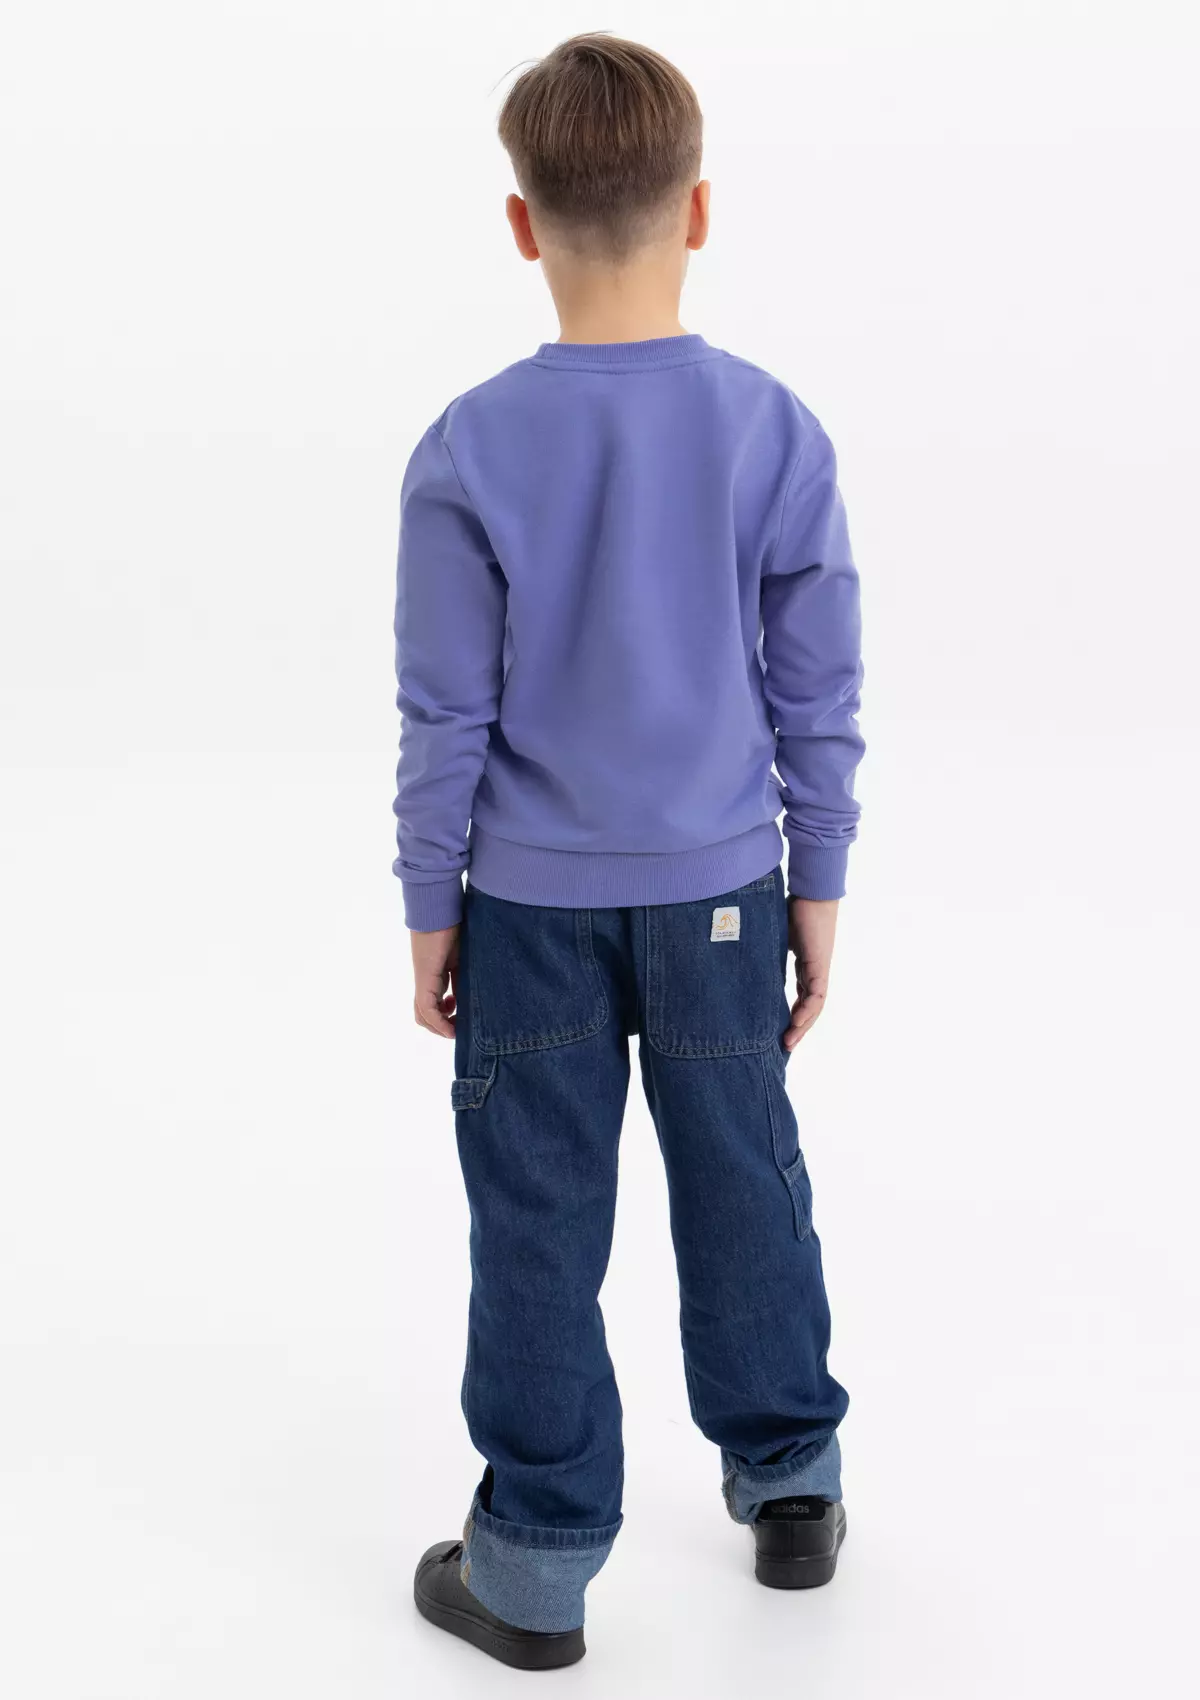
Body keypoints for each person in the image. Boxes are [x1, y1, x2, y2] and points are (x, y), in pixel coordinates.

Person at [393, 32, 864, 1671]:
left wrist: (430, 905)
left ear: (522, 224)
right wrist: (817, 883)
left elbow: (444, 712)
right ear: (700, 209)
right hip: (725, 888)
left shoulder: (468, 446)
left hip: (527, 905)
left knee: (535, 1215)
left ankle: (534, 1566)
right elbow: (818, 691)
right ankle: (791, 1482)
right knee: (744, 1175)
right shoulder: (772, 429)